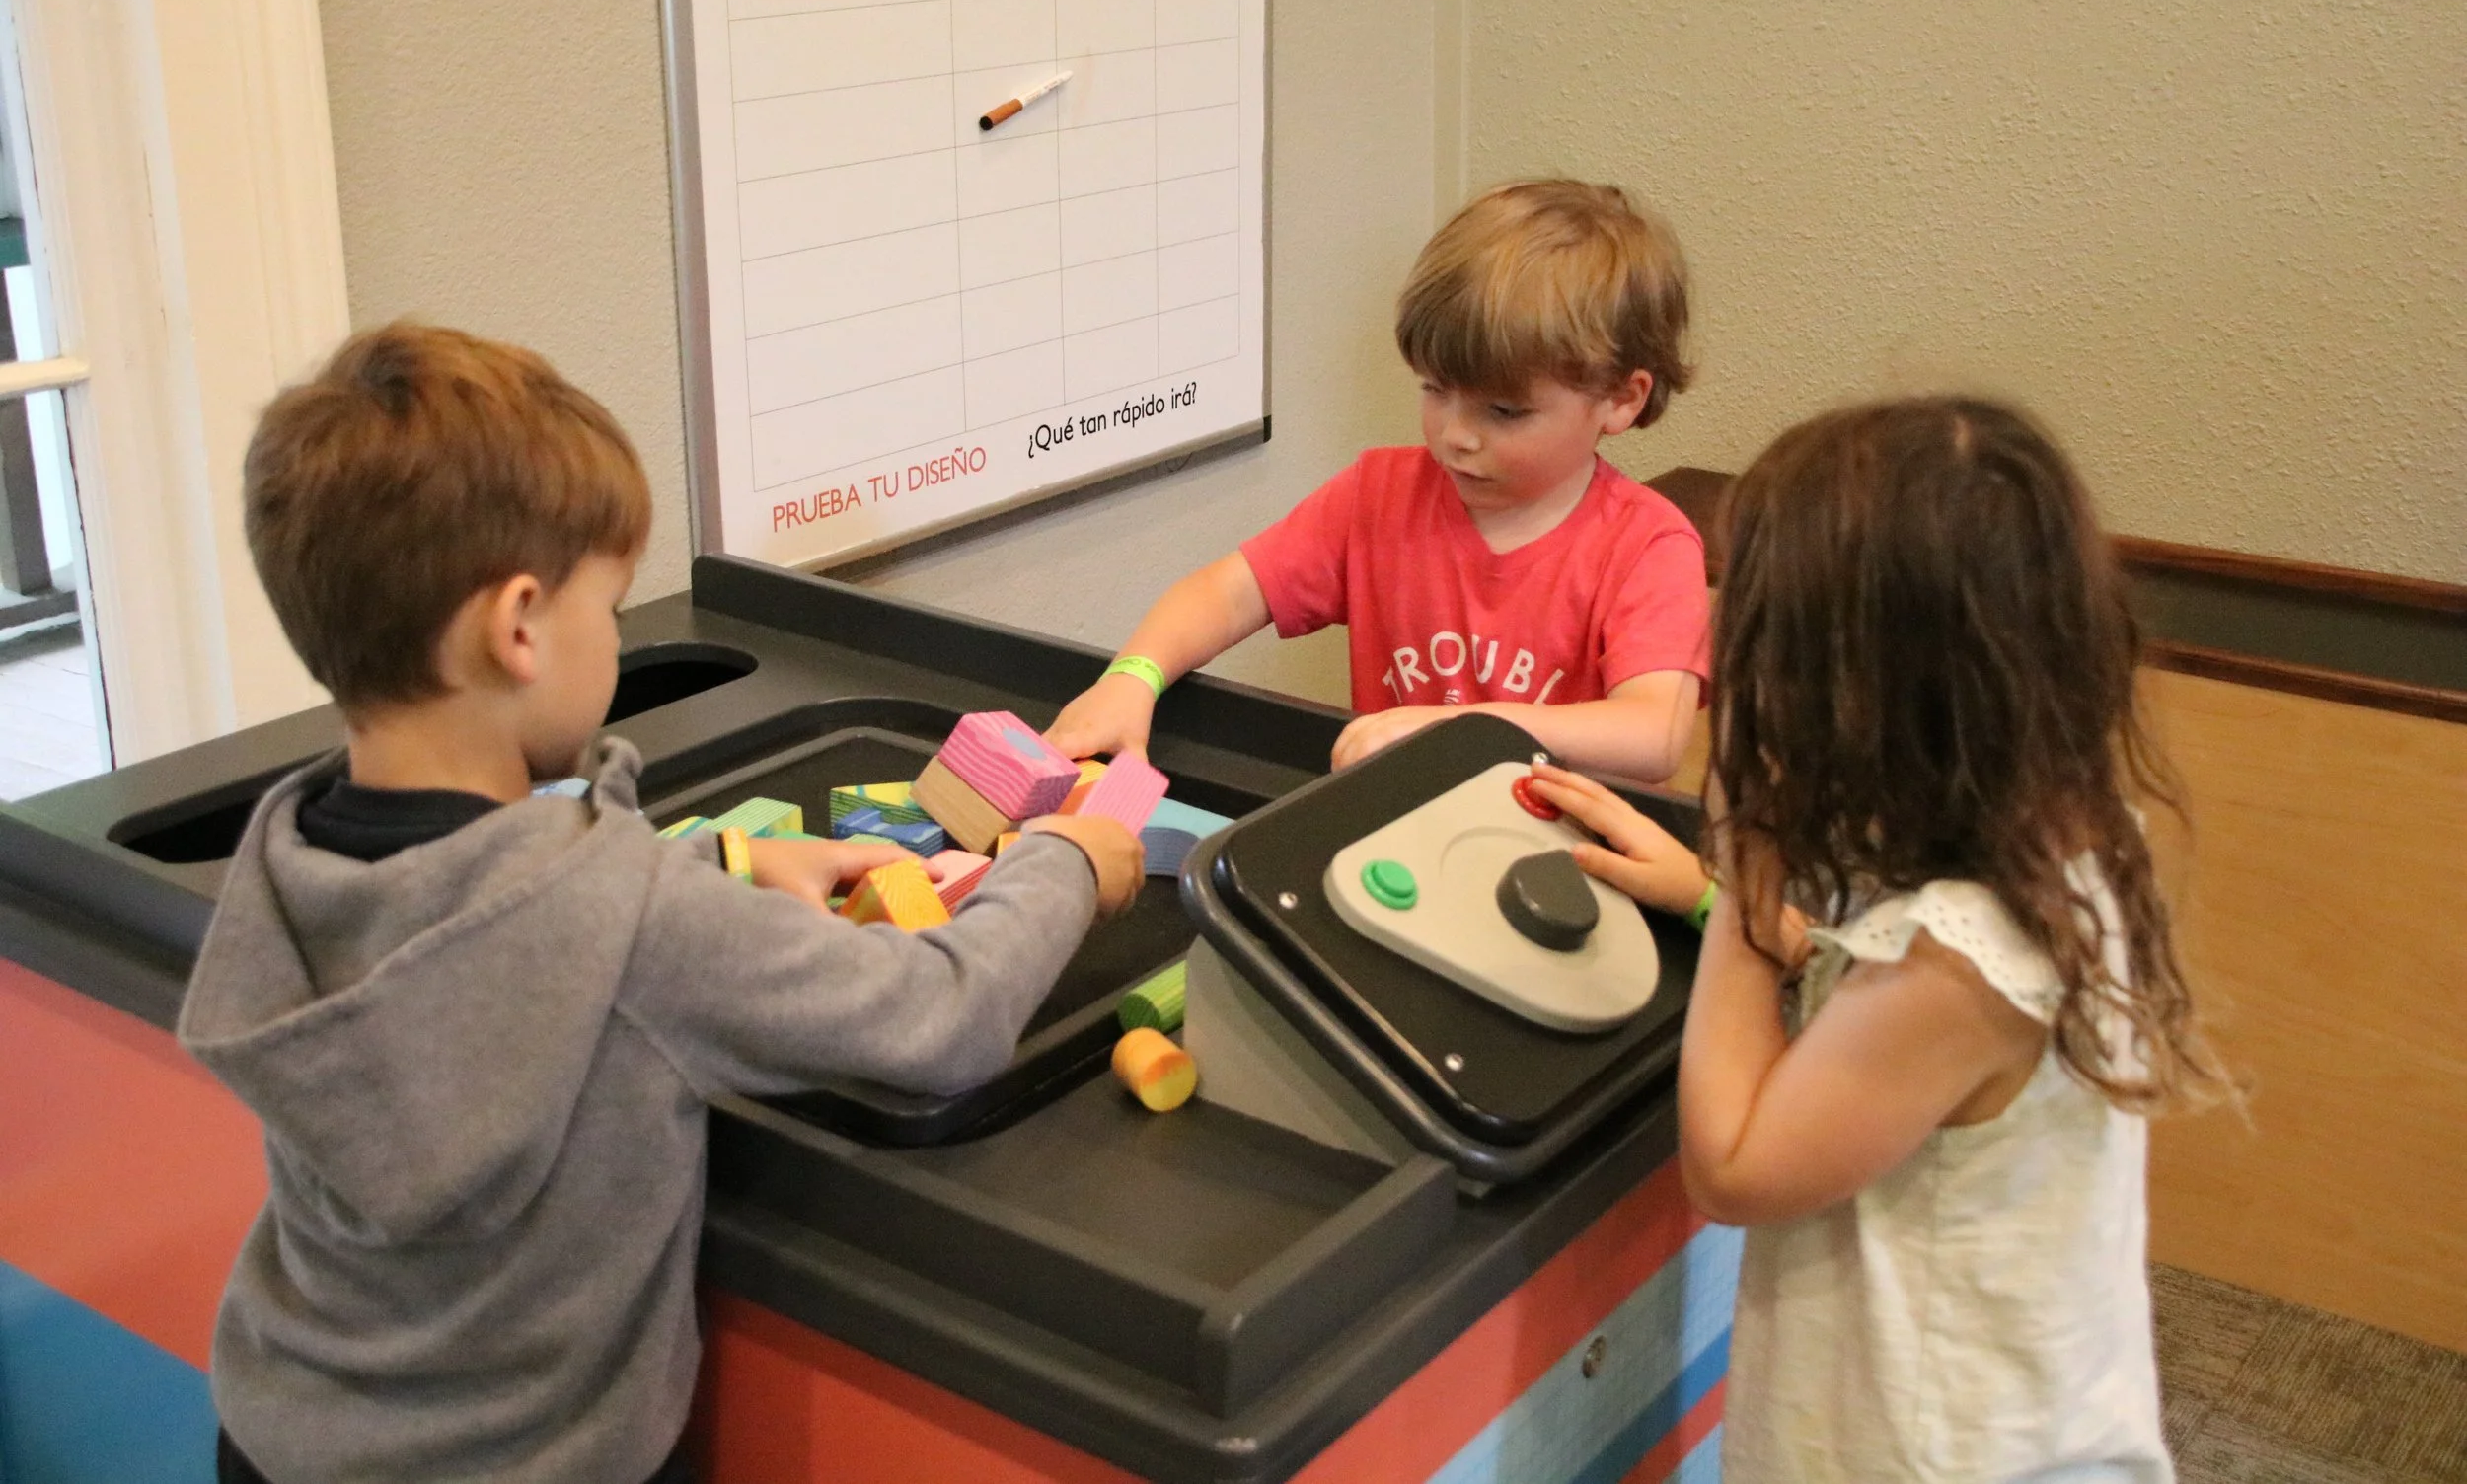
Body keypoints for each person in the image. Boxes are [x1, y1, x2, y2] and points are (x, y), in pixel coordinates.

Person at [177, 323, 1141, 1484]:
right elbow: (945, 1015)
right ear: (519, 625)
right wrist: (1069, 859)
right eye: (613, 607)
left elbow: (484, 913)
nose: (617, 640)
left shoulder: (288, 860)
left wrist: (726, 865)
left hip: (281, 1437)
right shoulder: (629, 922)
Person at [1528, 396, 2223, 1481]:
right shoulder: (2061, 836)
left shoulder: (1961, 960)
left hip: (1938, 1449)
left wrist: (1745, 874)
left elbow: (1732, 1164)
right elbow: (1867, 1014)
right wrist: (1715, 897)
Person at [1048, 180, 1711, 784]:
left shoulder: (1649, 545)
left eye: (1503, 411)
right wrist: (1132, 677)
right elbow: (1224, 593)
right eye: (1435, 390)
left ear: (1621, 400)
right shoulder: (1378, 496)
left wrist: (1456, 728)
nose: (1456, 433)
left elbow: (1653, 734)